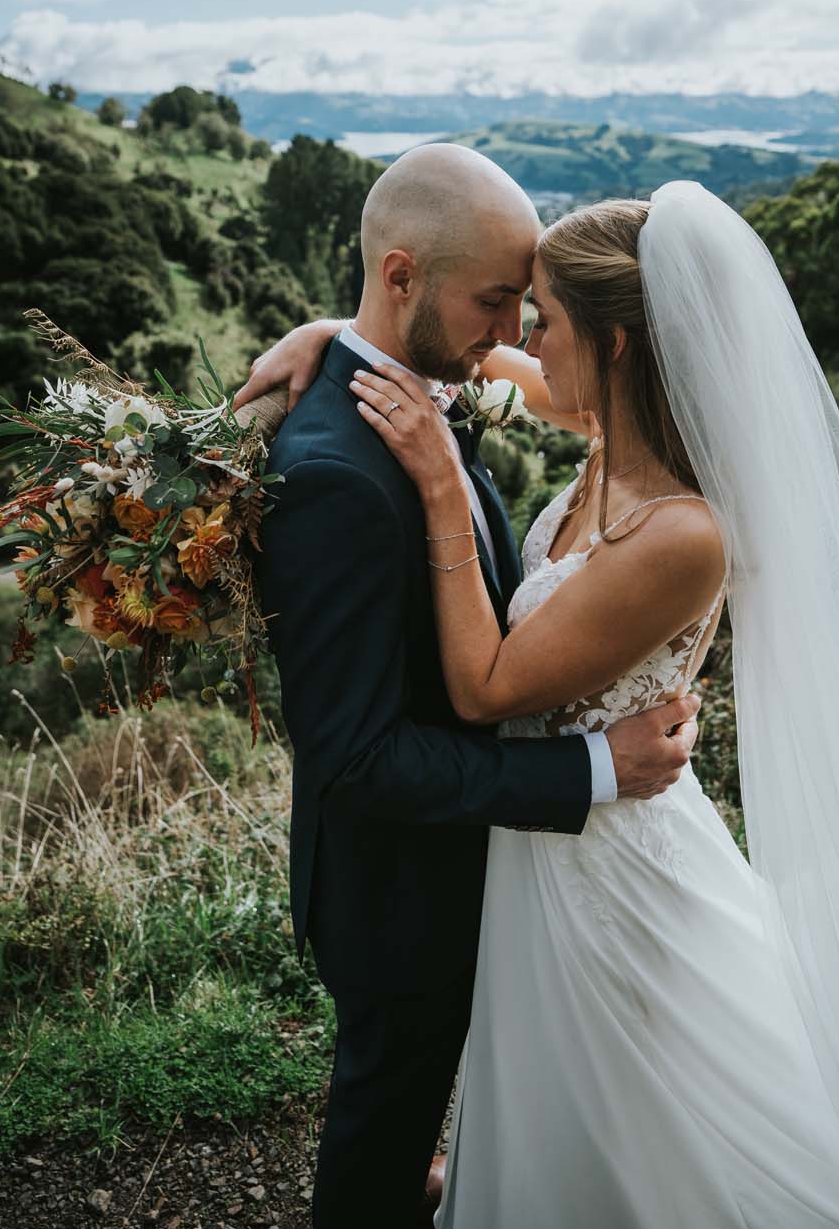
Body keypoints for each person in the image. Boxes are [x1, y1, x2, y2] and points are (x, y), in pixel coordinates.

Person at [245, 180, 839, 1228]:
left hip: (611, 863)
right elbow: (443, 354)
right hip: (536, 841)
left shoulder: (680, 530)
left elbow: (485, 686)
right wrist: (334, 331)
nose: (518, 338)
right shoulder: (600, 419)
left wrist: (445, 494)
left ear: (618, 343)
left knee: (646, 1096)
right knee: (564, 1093)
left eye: (540, 317)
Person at [238, 145, 702, 1229]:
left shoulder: (422, 389)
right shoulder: (339, 477)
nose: (509, 337)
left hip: (500, 862)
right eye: (498, 302)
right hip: (401, 883)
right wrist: (592, 762)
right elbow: (353, 753)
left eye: (530, 311)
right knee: (381, 1131)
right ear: (401, 277)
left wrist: (334, 340)